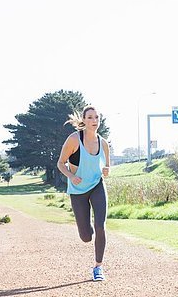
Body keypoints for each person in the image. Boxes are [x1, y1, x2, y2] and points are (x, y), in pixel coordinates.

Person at [56, 106, 111, 281]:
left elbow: (107, 165)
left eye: (97, 117)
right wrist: (71, 176)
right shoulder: (73, 140)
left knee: (101, 226)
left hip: (97, 186)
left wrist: (107, 170)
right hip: (78, 191)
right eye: (90, 117)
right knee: (86, 236)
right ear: (84, 120)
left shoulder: (103, 143)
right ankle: (89, 229)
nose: (94, 121)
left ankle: (98, 267)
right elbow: (60, 163)